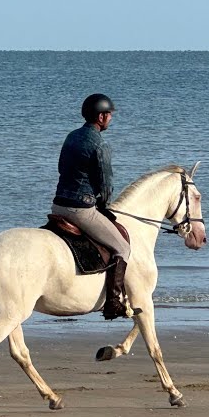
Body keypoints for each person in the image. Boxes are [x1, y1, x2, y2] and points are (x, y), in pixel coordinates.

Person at [51, 93, 131, 319]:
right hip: (81, 209)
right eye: (110, 115)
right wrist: (104, 205)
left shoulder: (71, 136)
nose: (111, 119)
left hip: (58, 206)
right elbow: (106, 185)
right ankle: (113, 303)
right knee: (122, 248)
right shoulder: (100, 145)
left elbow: (61, 169)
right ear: (102, 116)